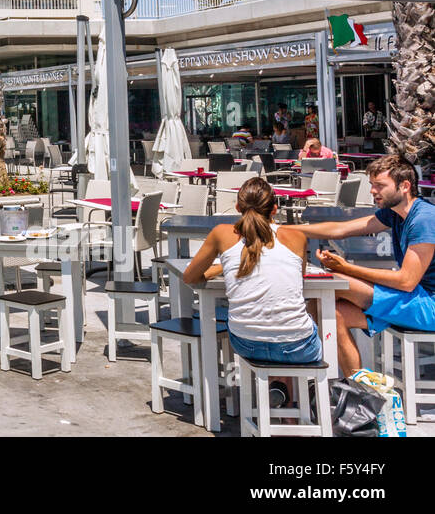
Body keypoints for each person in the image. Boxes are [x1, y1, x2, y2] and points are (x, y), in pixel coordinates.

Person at [288, 154, 435, 375]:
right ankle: (361, 391)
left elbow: (406, 281)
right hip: (416, 299)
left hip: (428, 305)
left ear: (405, 186)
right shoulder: (395, 214)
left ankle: (299, 372)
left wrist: (345, 268)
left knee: (335, 282)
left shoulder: (423, 219)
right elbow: (342, 229)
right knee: (328, 311)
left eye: (380, 186)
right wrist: (284, 229)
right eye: (372, 185)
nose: (373, 191)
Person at [184, 178, 321, 367]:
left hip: (245, 342)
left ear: (237, 207)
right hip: (297, 347)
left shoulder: (222, 233)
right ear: (274, 208)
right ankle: (305, 388)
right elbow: (299, 282)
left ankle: (277, 388)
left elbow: (190, 277)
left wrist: (224, 267)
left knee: (270, 337)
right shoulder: (296, 236)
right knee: (309, 320)